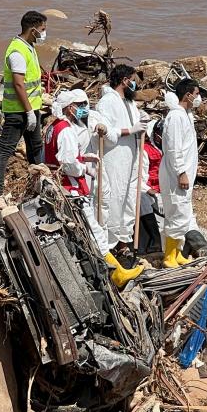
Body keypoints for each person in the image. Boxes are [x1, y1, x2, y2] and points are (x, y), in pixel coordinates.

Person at [45, 90, 143, 287]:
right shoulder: (65, 130)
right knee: (95, 232)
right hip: (72, 188)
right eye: (79, 105)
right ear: (69, 107)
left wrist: (85, 158)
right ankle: (115, 274)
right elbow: (68, 163)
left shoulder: (54, 126)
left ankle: (113, 271)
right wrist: (84, 169)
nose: (83, 108)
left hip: (70, 185)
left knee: (93, 229)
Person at [0, 10, 48, 199]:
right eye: (42, 29)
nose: (44, 33)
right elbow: (18, 83)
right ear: (33, 30)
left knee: (36, 145)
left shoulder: (29, 46)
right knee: (5, 149)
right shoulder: (17, 51)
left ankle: (37, 186)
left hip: (32, 108)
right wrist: (29, 112)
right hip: (18, 111)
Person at [96, 64, 148, 250]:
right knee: (115, 199)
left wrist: (141, 123)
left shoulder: (129, 102)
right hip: (115, 159)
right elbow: (105, 133)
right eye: (133, 81)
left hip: (131, 157)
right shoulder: (107, 102)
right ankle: (110, 244)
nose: (135, 85)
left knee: (129, 199)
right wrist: (129, 130)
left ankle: (125, 242)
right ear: (125, 81)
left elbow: (136, 125)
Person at [160, 79, 202, 268]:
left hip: (185, 173)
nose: (199, 98)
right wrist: (181, 172)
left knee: (183, 212)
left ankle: (176, 252)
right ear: (188, 95)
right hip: (177, 175)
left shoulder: (186, 115)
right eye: (197, 93)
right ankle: (169, 256)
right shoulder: (175, 117)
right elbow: (173, 148)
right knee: (177, 212)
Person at [139, 119, 164, 254]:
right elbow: (140, 179)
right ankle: (155, 240)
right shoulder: (145, 151)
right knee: (142, 201)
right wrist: (152, 192)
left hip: (165, 191)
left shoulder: (169, 150)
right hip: (150, 191)